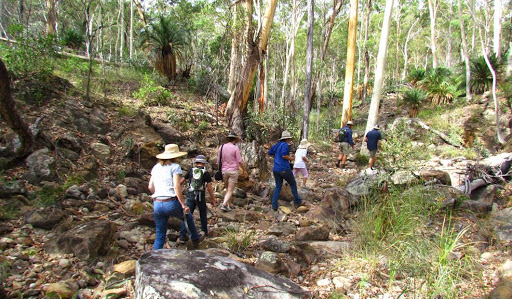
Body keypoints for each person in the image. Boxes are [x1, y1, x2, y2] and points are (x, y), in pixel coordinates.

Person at [148, 144, 200, 250]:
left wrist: (158, 195)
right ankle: (195, 239)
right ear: (175, 156)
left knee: (160, 235)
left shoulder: (155, 167)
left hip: (157, 203)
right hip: (170, 202)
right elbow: (176, 186)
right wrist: (183, 204)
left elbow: (150, 187)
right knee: (188, 216)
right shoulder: (175, 167)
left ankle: (153, 259)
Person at [178, 155, 216, 243]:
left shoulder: (191, 170)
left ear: (196, 162)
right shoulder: (205, 173)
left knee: (187, 214)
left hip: (190, 194)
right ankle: (204, 231)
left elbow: (181, 181)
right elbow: (209, 187)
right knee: (203, 213)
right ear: (203, 163)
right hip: (200, 195)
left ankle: (182, 235)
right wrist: (212, 199)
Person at [268, 130, 303, 211]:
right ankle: (297, 200)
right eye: (289, 139)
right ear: (287, 139)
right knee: (293, 183)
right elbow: (284, 155)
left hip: (276, 169)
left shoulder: (277, 145)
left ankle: (274, 205)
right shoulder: (285, 145)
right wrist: (291, 158)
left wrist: (277, 157)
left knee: (278, 186)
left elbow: (269, 152)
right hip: (284, 168)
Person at [217, 132, 246, 212]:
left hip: (224, 171)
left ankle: (228, 205)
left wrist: (220, 170)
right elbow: (239, 161)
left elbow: (218, 160)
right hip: (233, 171)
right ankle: (224, 204)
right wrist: (243, 169)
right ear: (235, 140)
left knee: (227, 189)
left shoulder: (222, 147)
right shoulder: (235, 148)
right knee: (230, 190)